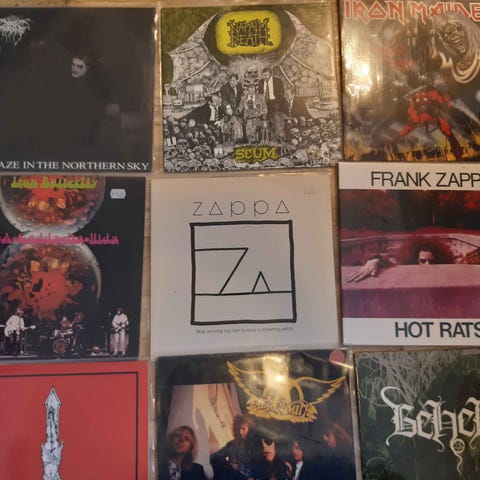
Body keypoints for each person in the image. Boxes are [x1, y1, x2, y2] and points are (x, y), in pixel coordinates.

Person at [345, 236, 456, 282]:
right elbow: (390, 264)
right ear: (415, 260)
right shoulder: (409, 271)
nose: (427, 265)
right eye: (423, 261)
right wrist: (375, 260)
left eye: (431, 261)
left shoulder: (444, 275)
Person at [211, 414, 256, 480]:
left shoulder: (255, 447)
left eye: (243, 429)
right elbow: (216, 456)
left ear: (250, 430)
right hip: (230, 476)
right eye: (238, 429)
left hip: (243, 478)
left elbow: (255, 473)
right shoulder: (232, 444)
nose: (240, 432)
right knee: (219, 461)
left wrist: (238, 467)